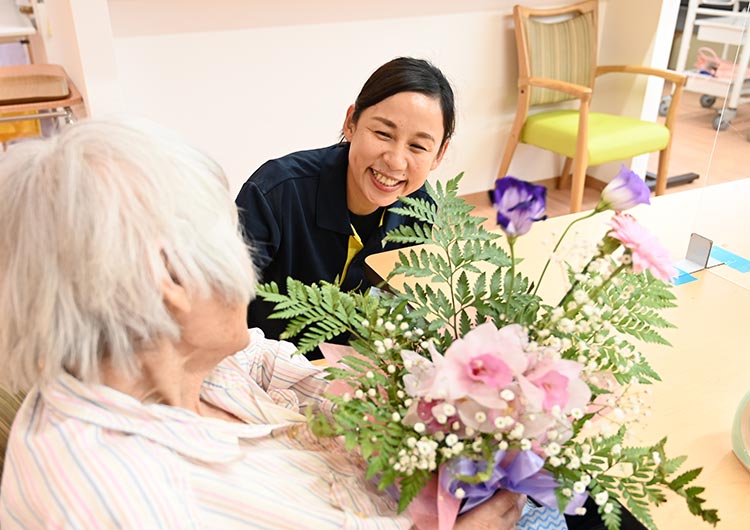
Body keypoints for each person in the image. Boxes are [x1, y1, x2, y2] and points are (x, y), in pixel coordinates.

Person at [0, 118, 523, 529]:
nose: (247, 260)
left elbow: (265, 359)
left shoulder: (173, 357)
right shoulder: (135, 503)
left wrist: (424, 401)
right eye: (230, 235)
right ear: (172, 277)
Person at [235, 57, 455, 352]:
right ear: (351, 123)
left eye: (417, 146)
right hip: (263, 369)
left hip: (354, 376)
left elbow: (400, 314)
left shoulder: (420, 211)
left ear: (439, 155)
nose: (395, 160)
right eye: (383, 134)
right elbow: (221, 306)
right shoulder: (275, 192)